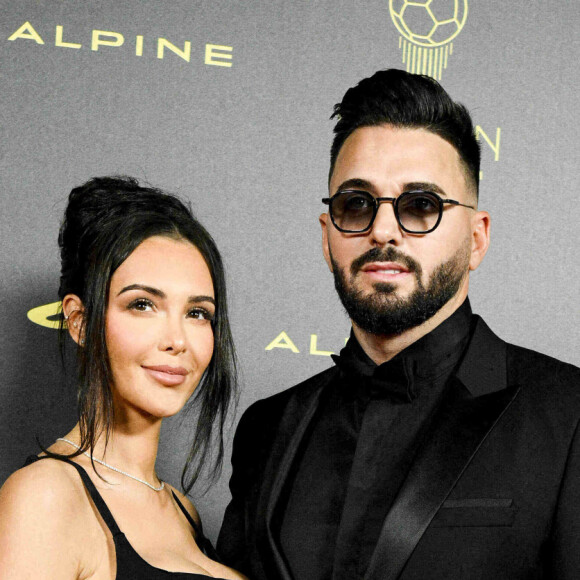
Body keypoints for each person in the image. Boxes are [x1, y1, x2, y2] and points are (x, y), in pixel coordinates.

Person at [217, 69, 580, 579]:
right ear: (328, 235)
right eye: (356, 204)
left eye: (420, 206)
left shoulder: (568, 417)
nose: (383, 230)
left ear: (477, 239)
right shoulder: (265, 428)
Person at [0, 176, 246, 579]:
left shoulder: (183, 511)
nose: (177, 340)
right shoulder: (46, 497)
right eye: (143, 304)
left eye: (197, 312)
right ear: (79, 322)